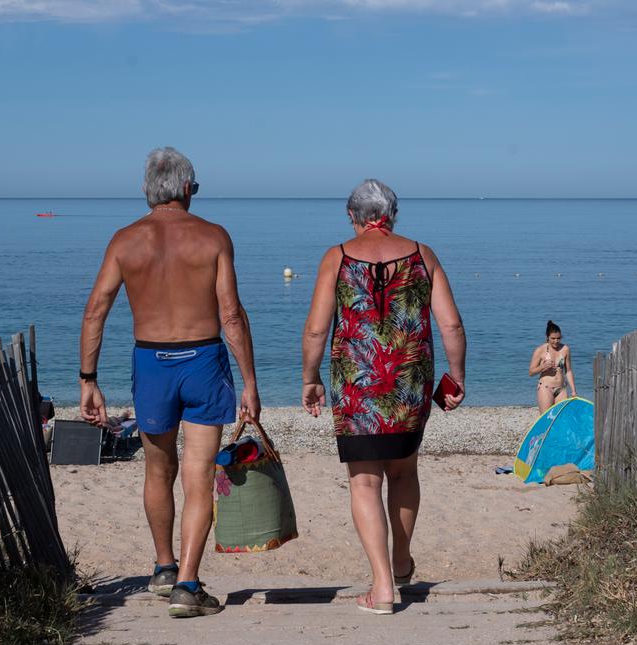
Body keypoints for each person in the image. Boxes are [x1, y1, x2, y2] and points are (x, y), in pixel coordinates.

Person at [79, 147, 260, 619]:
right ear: (187, 189)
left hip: (151, 363)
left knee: (158, 471)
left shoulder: (124, 240)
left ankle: (163, 567)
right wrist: (250, 382)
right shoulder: (213, 237)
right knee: (199, 477)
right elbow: (231, 316)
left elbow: (96, 309)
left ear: (147, 191)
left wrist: (88, 380)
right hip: (202, 359)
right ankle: (187, 585)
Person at [301, 179, 466, 615]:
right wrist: (457, 375)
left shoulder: (336, 257)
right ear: (392, 214)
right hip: (410, 384)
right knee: (405, 473)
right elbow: (451, 325)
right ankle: (401, 560)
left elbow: (317, 328)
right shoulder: (422, 254)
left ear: (351, 216)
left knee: (364, 482)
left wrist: (309, 377)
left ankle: (383, 585)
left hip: (357, 388)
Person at [529, 321, 576, 412]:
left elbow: (568, 371)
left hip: (561, 388)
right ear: (547, 337)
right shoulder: (540, 350)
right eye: (553, 338)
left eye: (558, 338)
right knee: (547, 418)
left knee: (561, 417)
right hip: (546, 388)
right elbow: (531, 372)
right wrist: (543, 367)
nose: (556, 341)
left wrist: (573, 390)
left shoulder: (565, 349)